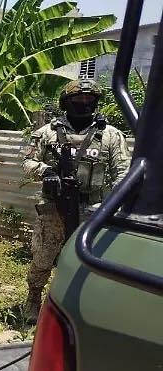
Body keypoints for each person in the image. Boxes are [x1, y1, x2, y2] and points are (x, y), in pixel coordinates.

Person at [22, 79, 130, 322]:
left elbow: (123, 174)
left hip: (93, 210)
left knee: (88, 260)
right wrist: (46, 171)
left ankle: (78, 306)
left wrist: (113, 206)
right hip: (54, 207)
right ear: (65, 103)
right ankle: (33, 298)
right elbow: (26, 163)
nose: (83, 104)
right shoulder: (47, 133)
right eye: (77, 100)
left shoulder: (110, 136)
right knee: (43, 256)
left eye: (89, 100)